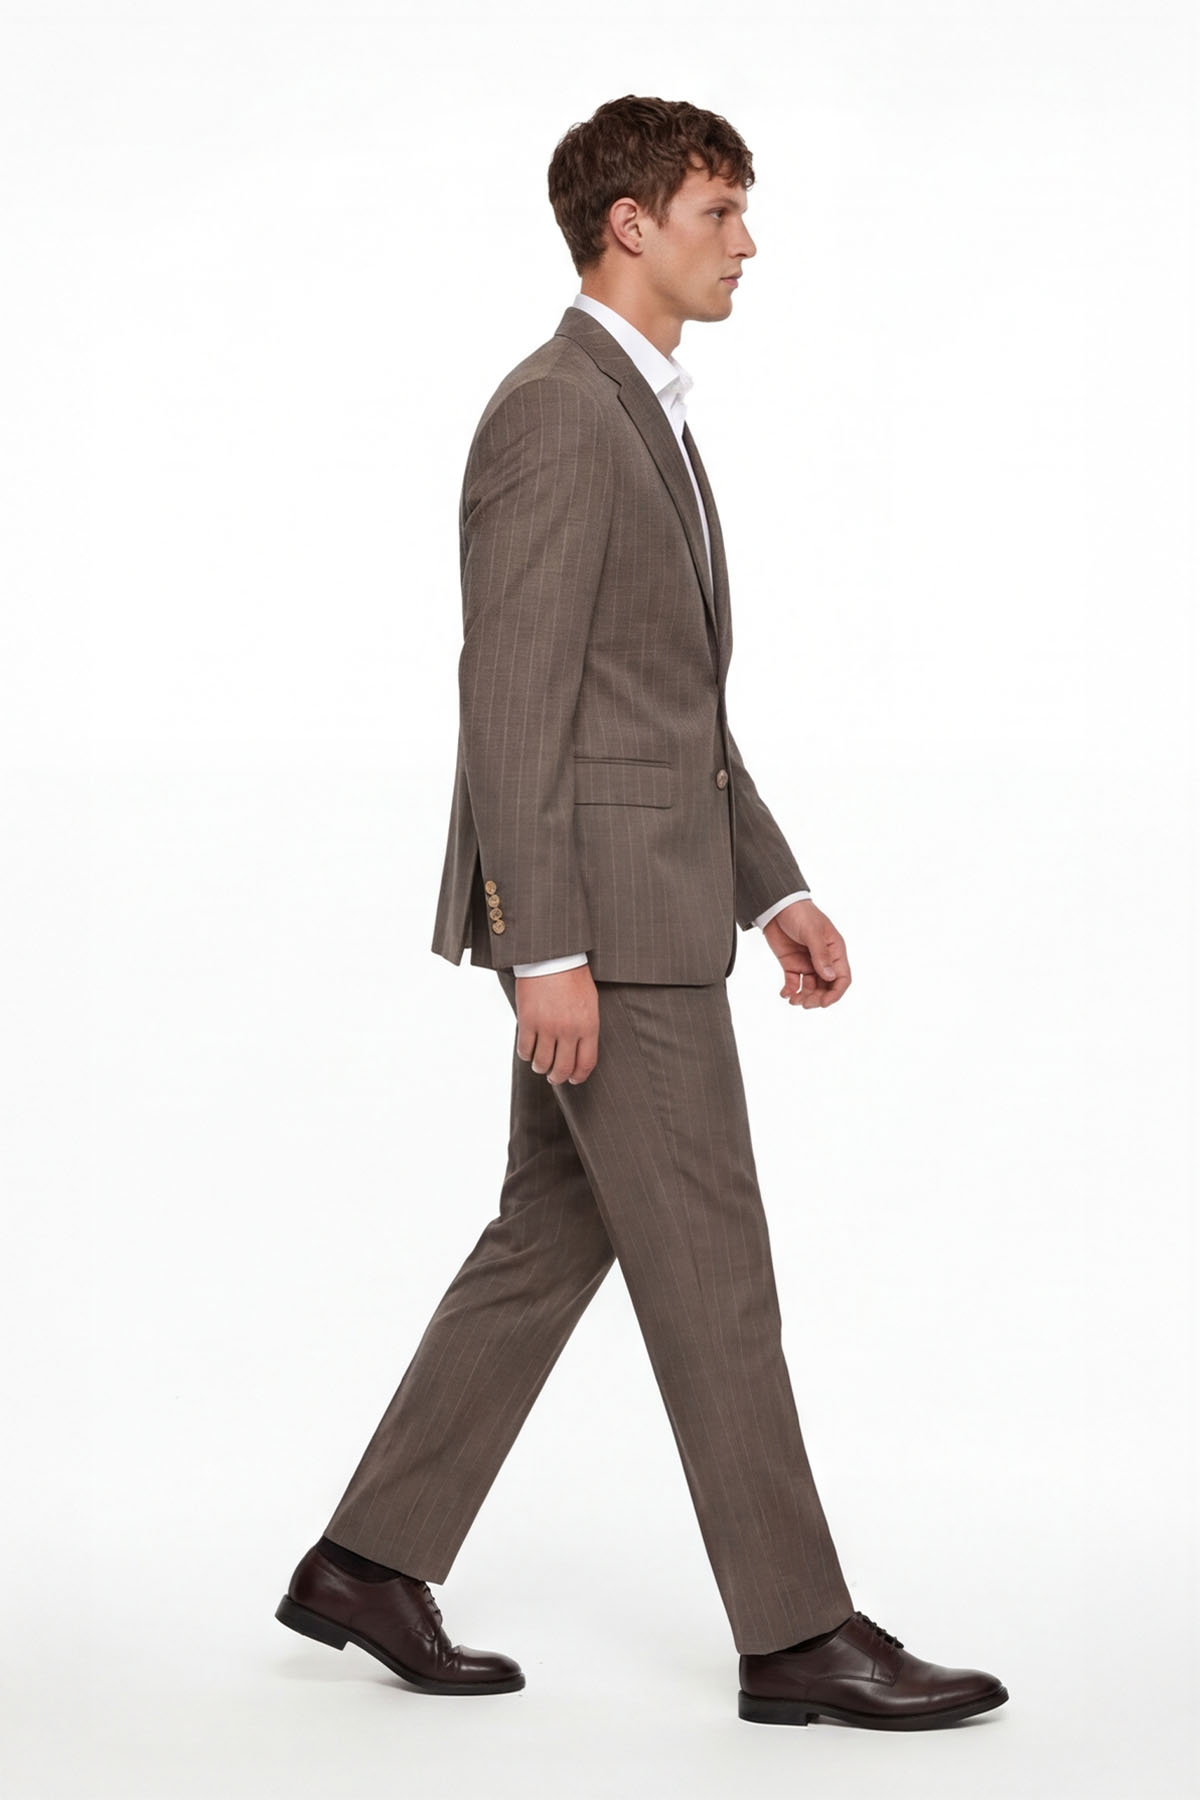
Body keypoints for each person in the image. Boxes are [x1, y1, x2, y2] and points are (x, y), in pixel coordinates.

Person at [275, 94, 1008, 1732]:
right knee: (715, 1269)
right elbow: (514, 701)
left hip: (658, 903)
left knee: (550, 1233)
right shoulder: (558, 412)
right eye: (719, 211)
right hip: (607, 934)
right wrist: (546, 948)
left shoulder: (642, 410)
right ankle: (799, 1636)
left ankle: (366, 1560)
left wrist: (775, 882)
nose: (746, 243)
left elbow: (663, 707)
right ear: (630, 223)